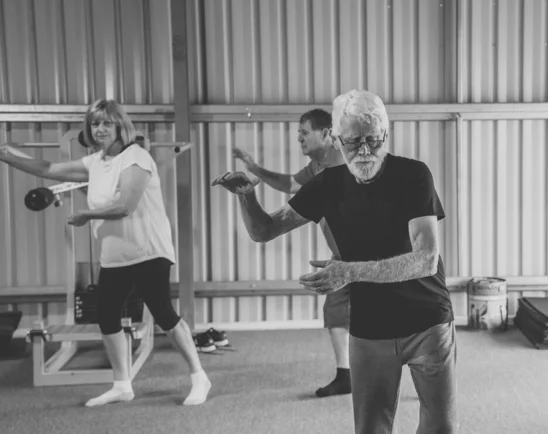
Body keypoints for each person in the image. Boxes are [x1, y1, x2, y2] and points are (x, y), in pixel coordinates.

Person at [212, 89, 457, 434]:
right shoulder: (326, 184)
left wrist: (348, 272)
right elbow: (264, 230)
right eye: (355, 142)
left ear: (385, 136)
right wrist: (247, 196)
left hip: (427, 320)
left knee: (440, 427)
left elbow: (426, 260)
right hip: (371, 325)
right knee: (371, 428)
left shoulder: (413, 175)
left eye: (373, 140)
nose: (365, 150)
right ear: (338, 141)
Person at [0, 99, 211, 408]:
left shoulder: (136, 156)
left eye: (106, 123)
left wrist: (87, 215)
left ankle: (199, 377)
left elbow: (126, 204)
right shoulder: (95, 162)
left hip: (148, 250)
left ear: (120, 127)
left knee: (164, 313)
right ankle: (122, 385)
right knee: (108, 316)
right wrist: (4, 155)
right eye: (94, 123)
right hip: (115, 255)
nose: (99, 129)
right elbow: (46, 169)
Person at [232, 108, 351, 398]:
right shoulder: (316, 172)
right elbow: (289, 186)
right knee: (335, 313)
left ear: (326, 134)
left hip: (371, 259)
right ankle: (346, 375)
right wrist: (254, 171)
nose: (299, 137)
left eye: (304, 132)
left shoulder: (346, 167)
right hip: (340, 259)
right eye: (298, 132)